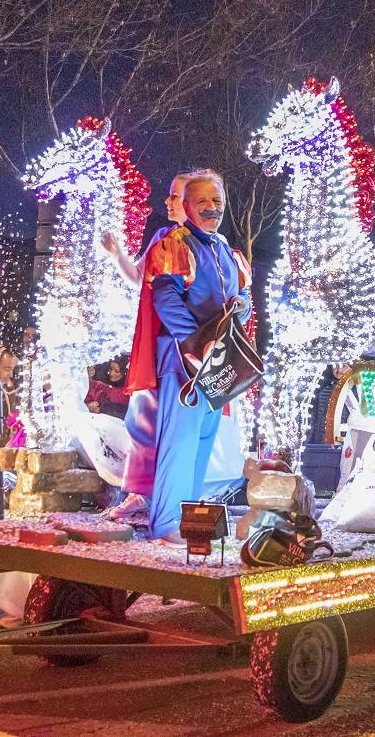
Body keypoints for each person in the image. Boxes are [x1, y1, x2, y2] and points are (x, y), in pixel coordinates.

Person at [138, 171, 251, 542]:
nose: (211, 208)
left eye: (216, 201)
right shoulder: (174, 245)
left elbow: (244, 302)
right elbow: (166, 297)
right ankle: (166, 522)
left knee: (204, 437)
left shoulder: (226, 250)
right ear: (185, 206)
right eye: (202, 201)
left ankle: (187, 518)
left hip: (220, 358)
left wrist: (241, 311)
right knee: (180, 440)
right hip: (183, 359)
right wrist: (192, 347)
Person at [106, 171, 197, 520]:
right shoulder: (162, 237)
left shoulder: (206, 245)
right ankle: (139, 492)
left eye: (174, 196)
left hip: (188, 347)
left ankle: (179, 498)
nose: (167, 202)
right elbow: (137, 278)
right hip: (157, 342)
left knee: (182, 422)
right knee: (143, 414)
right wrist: (118, 256)